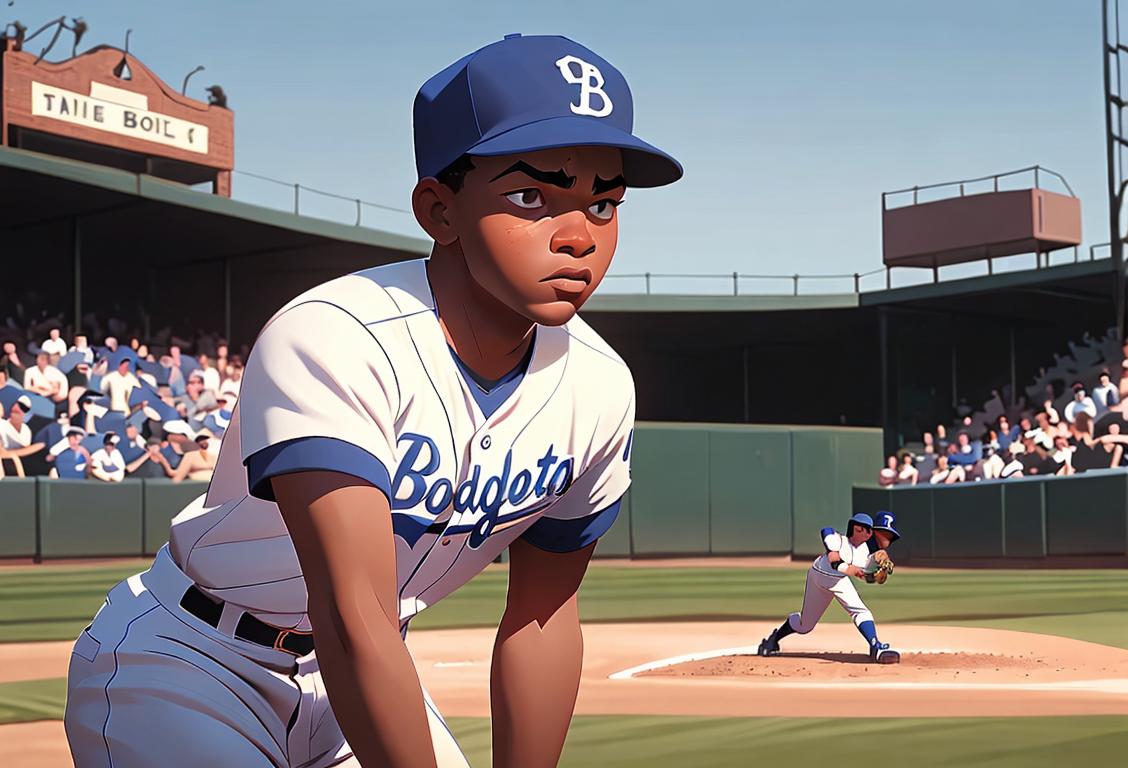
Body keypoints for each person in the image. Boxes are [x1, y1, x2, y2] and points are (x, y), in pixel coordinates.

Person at [66, 33, 679, 768]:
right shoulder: (336, 337)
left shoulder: (600, 385)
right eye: (532, 196)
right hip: (190, 666)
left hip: (358, 675)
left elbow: (544, 616)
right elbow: (353, 616)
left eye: (604, 204)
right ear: (438, 209)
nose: (579, 236)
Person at [757, 512, 900, 664]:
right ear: (857, 529)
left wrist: (873, 576)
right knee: (804, 625)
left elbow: (862, 575)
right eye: (884, 533)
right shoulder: (839, 541)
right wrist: (838, 555)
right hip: (818, 577)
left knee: (860, 611)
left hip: (838, 581)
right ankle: (774, 639)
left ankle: (875, 645)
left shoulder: (866, 554)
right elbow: (829, 540)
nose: (887, 538)